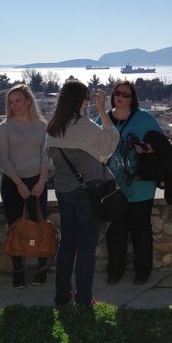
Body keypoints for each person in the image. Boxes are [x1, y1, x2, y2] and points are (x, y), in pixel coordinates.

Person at [47, 80, 119, 307]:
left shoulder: (53, 127)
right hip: (87, 191)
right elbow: (110, 143)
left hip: (63, 190)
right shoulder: (84, 125)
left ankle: (62, 297)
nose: (88, 103)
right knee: (86, 246)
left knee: (67, 244)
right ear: (80, 100)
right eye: (87, 99)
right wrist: (102, 111)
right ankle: (84, 299)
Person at [98, 80, 163, 285]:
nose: (121, 97)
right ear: (113, 96)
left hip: (141, 185)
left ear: (132, 98)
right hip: (114, 187)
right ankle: (115, 271)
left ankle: (142, 271)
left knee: (141, 230)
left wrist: (147, 149)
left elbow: (161, 144)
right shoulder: (102, 119)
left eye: (126, 94)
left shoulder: (144, 118)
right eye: (118, 93)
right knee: (116, 231)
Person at [0, 84, 50, 288]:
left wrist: (41, 181)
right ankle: (17, 270)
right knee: (15, 227)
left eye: (18, 100)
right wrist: (19, 183)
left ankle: (42, 268)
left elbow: (46, 155)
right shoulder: (5, 127)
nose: (14, 105)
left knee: (39, 225)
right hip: (13, 183)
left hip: (37, 181)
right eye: (11, 102)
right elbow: (3, 158)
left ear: (29, 101)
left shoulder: (42, 125)